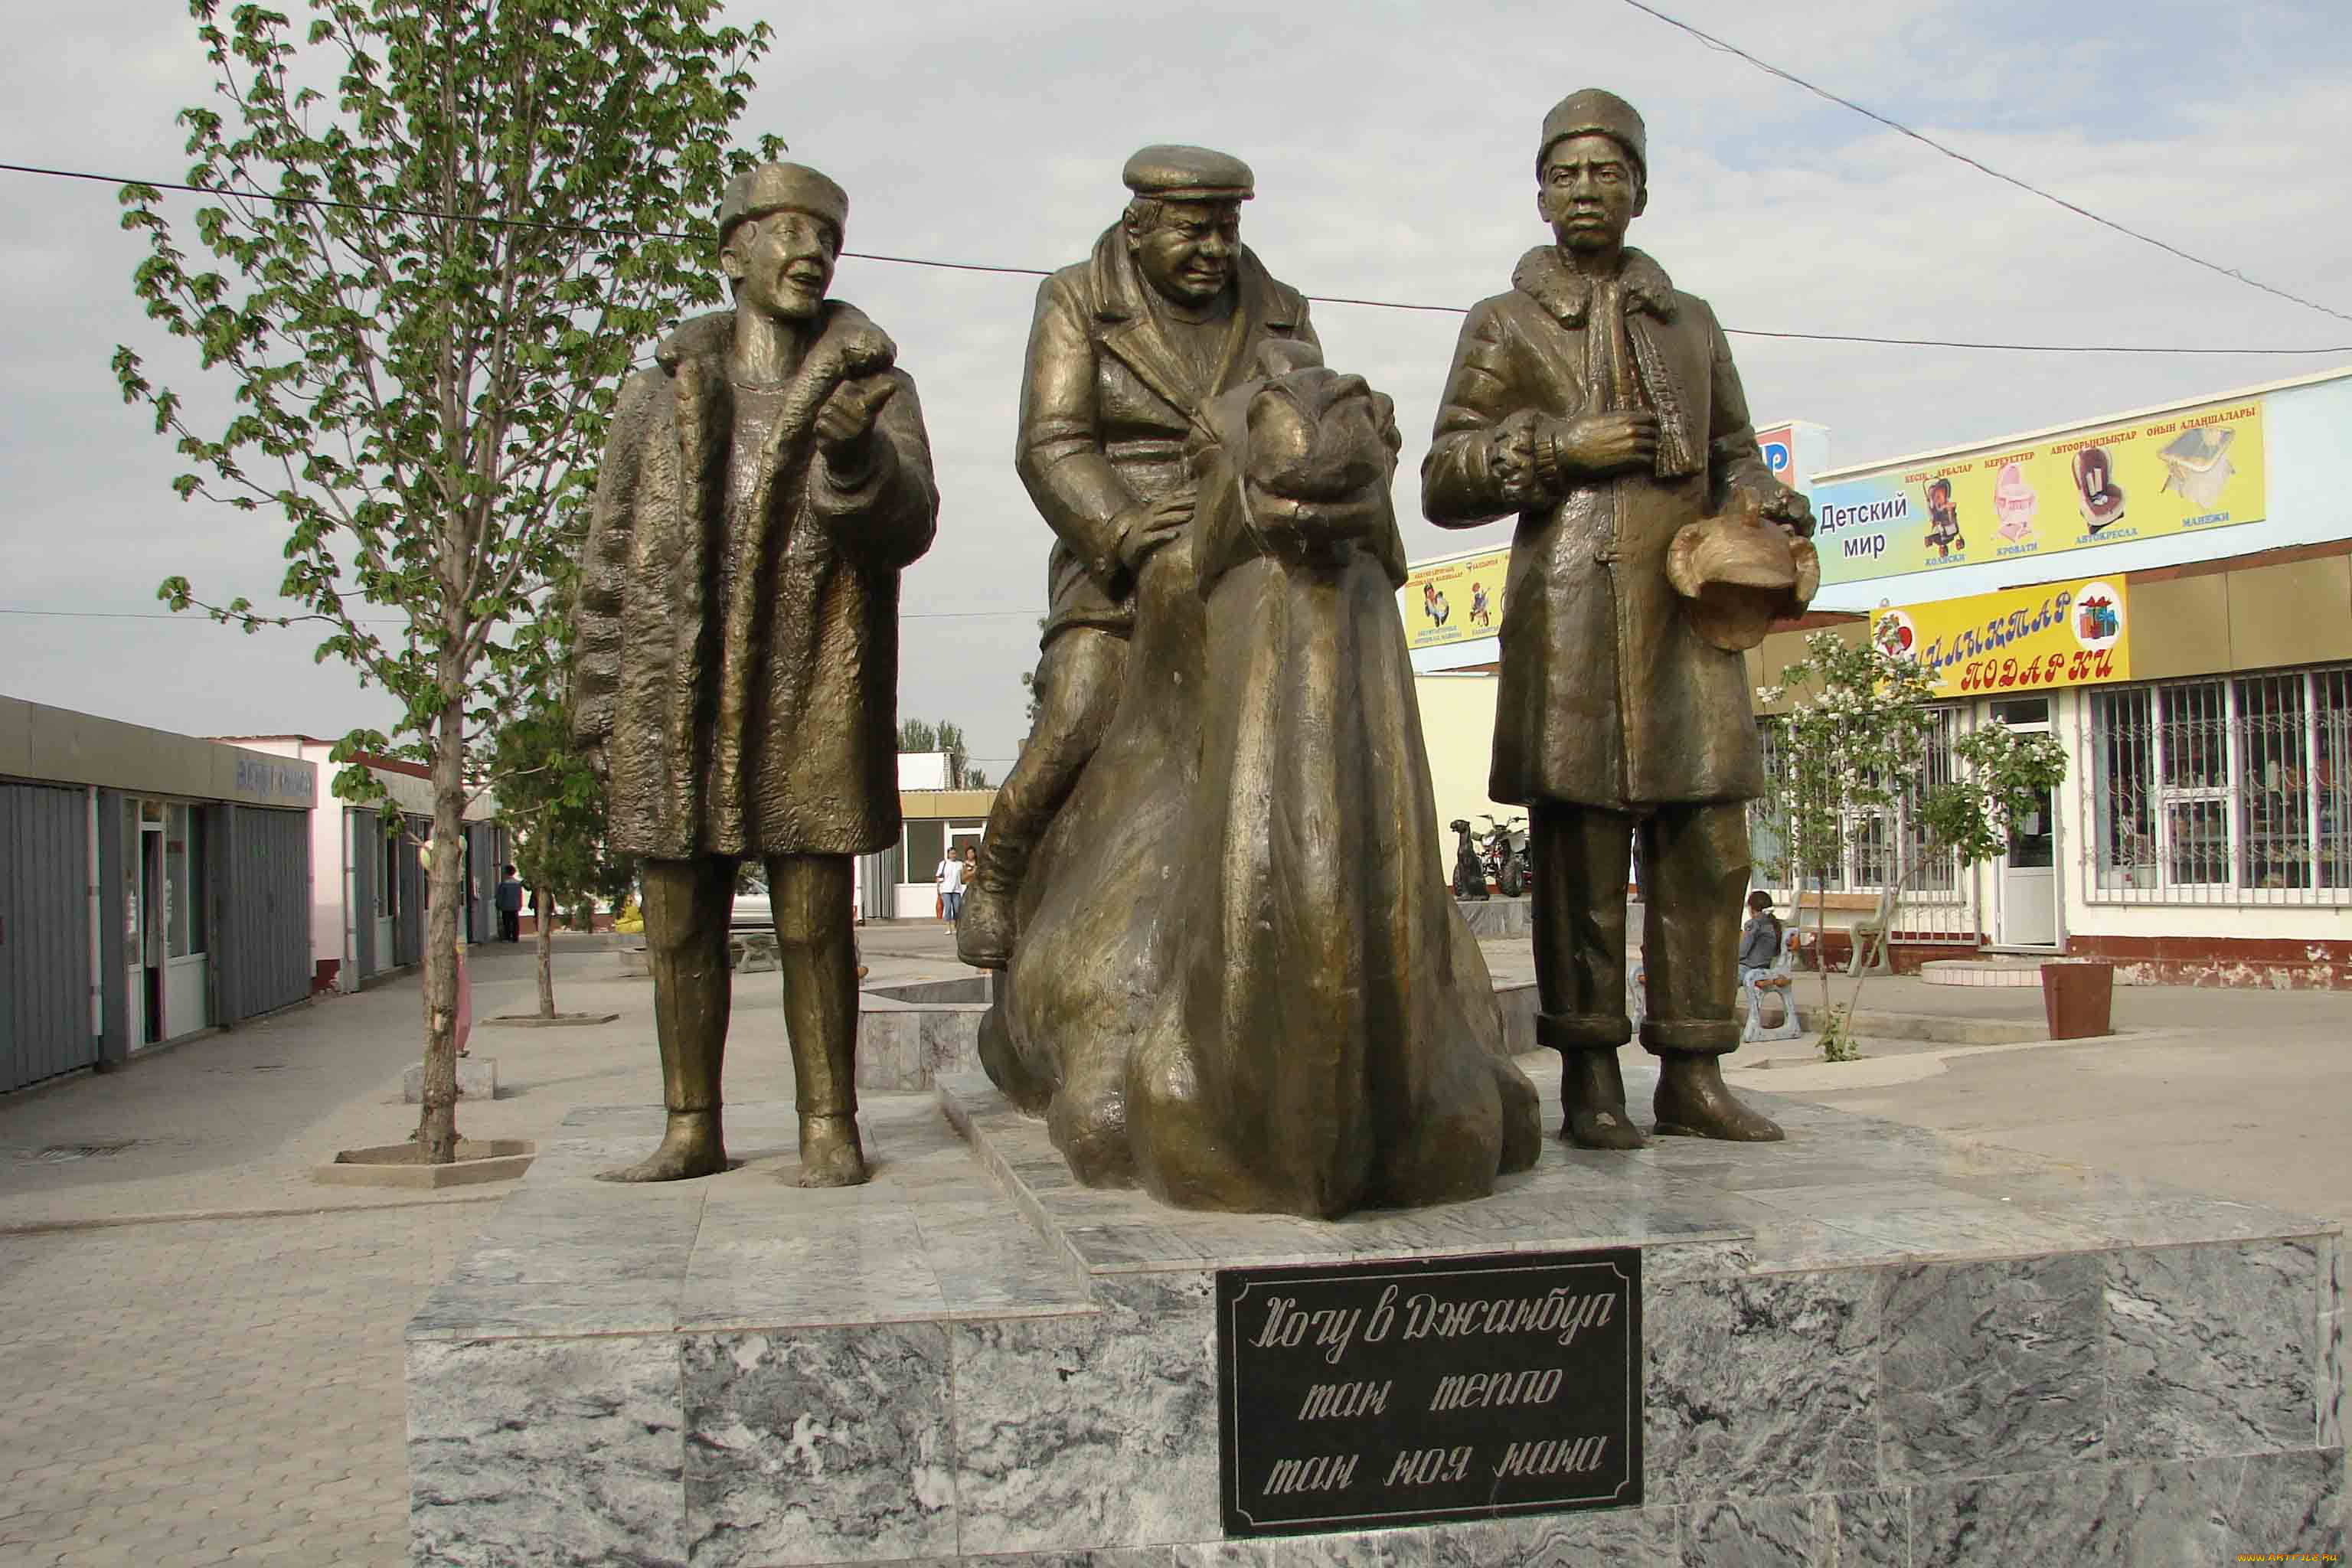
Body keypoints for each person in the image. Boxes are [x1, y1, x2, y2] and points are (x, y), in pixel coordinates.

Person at [1423, 89, 1815, 1149]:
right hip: (1573, 619)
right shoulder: (1502, 325)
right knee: (1579, 859)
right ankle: (1590, 1075)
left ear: (1641, 189)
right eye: (1566, 172)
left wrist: (1761, 496)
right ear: (1540, 192)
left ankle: (1694, 1069)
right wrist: (1557, 451)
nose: (1586, 189)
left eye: (1607, 171)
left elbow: (1735, 443)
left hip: (1686, 615)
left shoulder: (1690, 322)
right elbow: (1445, 476)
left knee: (1707, 847)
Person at [570, 162, 939, 1187]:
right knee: (680, 917)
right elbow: (607, 556)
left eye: (825, 234)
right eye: (785, 229)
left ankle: (830, 1124)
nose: (810, 249)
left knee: (814, 917)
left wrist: (856, 464)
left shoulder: (872, 388)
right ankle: (692, 1125)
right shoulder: (660, 392)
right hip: (671, 697)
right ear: (732, 253)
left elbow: (908, 528)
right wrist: (599, 702)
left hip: (812, 682)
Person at [954, 145, 1318, 969]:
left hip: (1242, 545)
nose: (1214, 250)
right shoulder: (1076, 299)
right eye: (1193, 230)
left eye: (1226, 228)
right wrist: (1123, 529)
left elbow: (1305, 426)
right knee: (1079, 710)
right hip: (1117, 555)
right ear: (1138, 225)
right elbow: (1051, 444)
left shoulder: (1282, 312)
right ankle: (1002, 870)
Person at [936, 847, 965, 928]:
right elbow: (939, 877)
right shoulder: (943, 863)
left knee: (957, 909)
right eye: (951, 853)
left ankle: (956, 925)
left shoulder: (960, 864)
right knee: (948, 908)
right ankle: (948, 927)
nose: (953, 855)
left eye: (954, 853)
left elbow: (963, 876)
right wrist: (938, 889)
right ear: (948, 854)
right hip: (945, 890)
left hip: (956, 890)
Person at [494, 864, 524, 942]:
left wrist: (498, 905)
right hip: (515, 906)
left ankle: (507, 937)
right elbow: (520, 895)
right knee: (515, 922)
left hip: (506, 906)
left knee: (506, 922)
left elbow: (500, 896)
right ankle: (515, 937)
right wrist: (520, 904)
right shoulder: (518, 884)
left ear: (506, 873)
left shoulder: (503, 884)